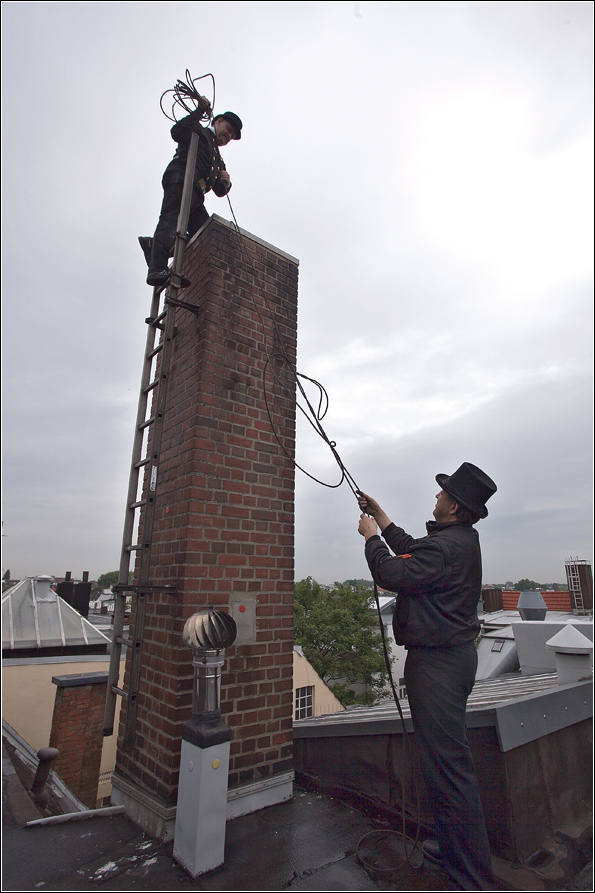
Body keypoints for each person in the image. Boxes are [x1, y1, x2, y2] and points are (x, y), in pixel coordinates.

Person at [357, 462, 497, 891]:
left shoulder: (445, 549)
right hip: (449, 661)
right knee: (442, 766)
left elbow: (392, 572)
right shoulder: (457, 540)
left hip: (438, 667)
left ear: (453, 507)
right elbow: (413, 549)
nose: (436, 496)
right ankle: (453, 848)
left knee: (449, 771)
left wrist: (371, 538)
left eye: (442, 493)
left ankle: (470, 879)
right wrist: (382, 517)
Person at [139, 108, 242, 288]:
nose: (228, 136)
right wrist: (200, 110)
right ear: (218, 121)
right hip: (181, 178)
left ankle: (154, 246)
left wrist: (226, 183)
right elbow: (177, 132)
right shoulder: (200, 132)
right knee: (171, 220)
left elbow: (219, 190)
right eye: (228, 130)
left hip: (196, 192)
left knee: (203, 232)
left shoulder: (218, 159)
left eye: (231, 136)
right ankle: (157, 269)